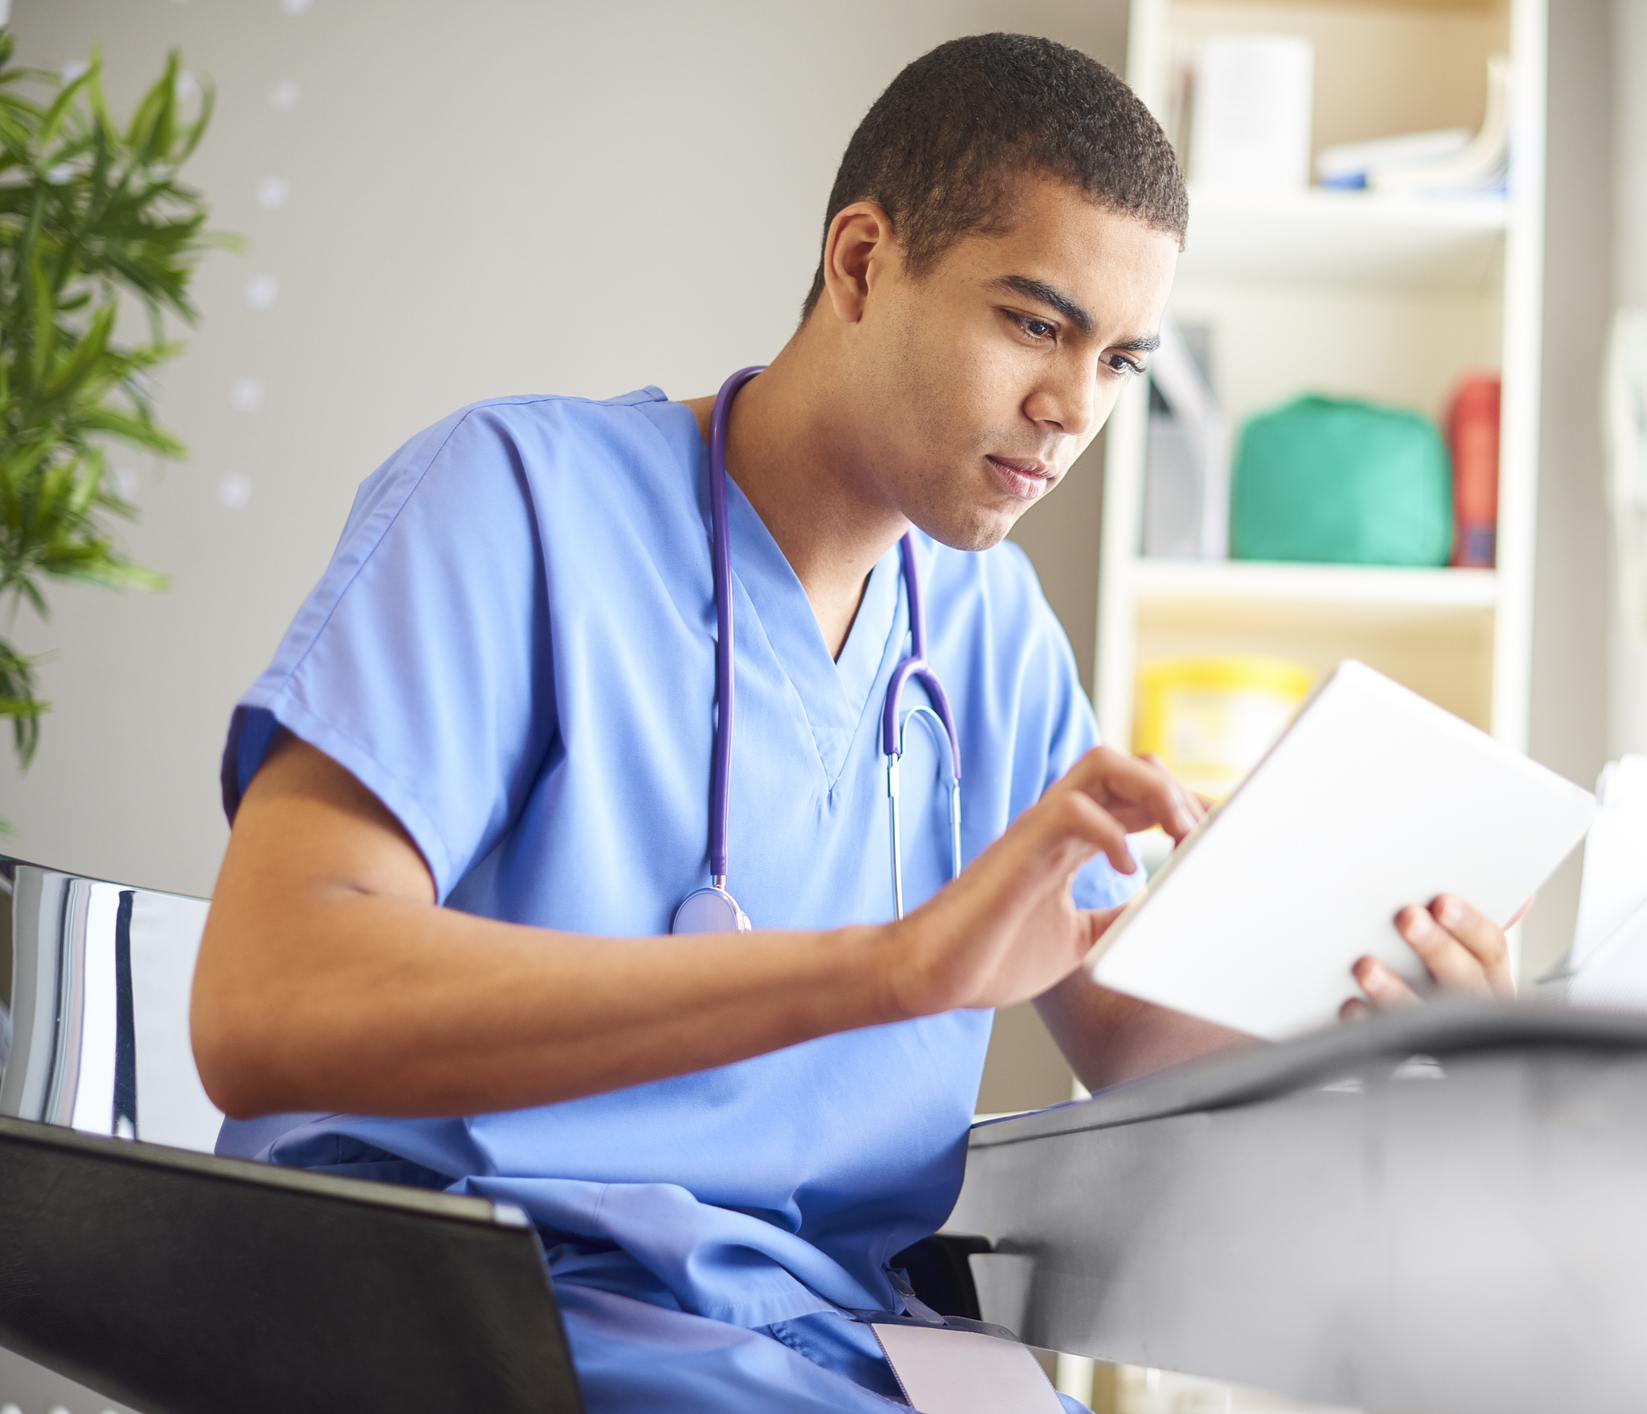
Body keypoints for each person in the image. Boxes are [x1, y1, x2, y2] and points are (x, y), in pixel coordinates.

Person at [191, 32, 1520, 1412]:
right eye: (1036, 323)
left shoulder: (988, 634)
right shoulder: (514, 500)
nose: (1072, 411)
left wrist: (1401, 1034)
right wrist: (886, 967)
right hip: (485, 1310)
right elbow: (265, 1003)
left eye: (1122, 359)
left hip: (835, 1342)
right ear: (863, 263)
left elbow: (1134, 1031)